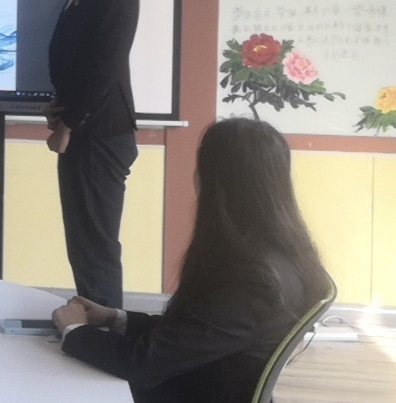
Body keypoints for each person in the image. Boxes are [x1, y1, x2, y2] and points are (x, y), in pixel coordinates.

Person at [52, 118, 329, 402]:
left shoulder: (255, 281)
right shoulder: (276, 255)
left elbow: (143, 364)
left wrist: (76, 331)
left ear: (213, 181)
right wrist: (116, 318)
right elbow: (192, 333)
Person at [45, 0, 139, 308]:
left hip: (100, 135)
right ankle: (89, 325)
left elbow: (105, 67)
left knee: (96, 246)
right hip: (87, 129)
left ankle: (105, 335)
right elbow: (80, 62)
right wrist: (59, 105)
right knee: (83, 242)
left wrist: (68, 125)